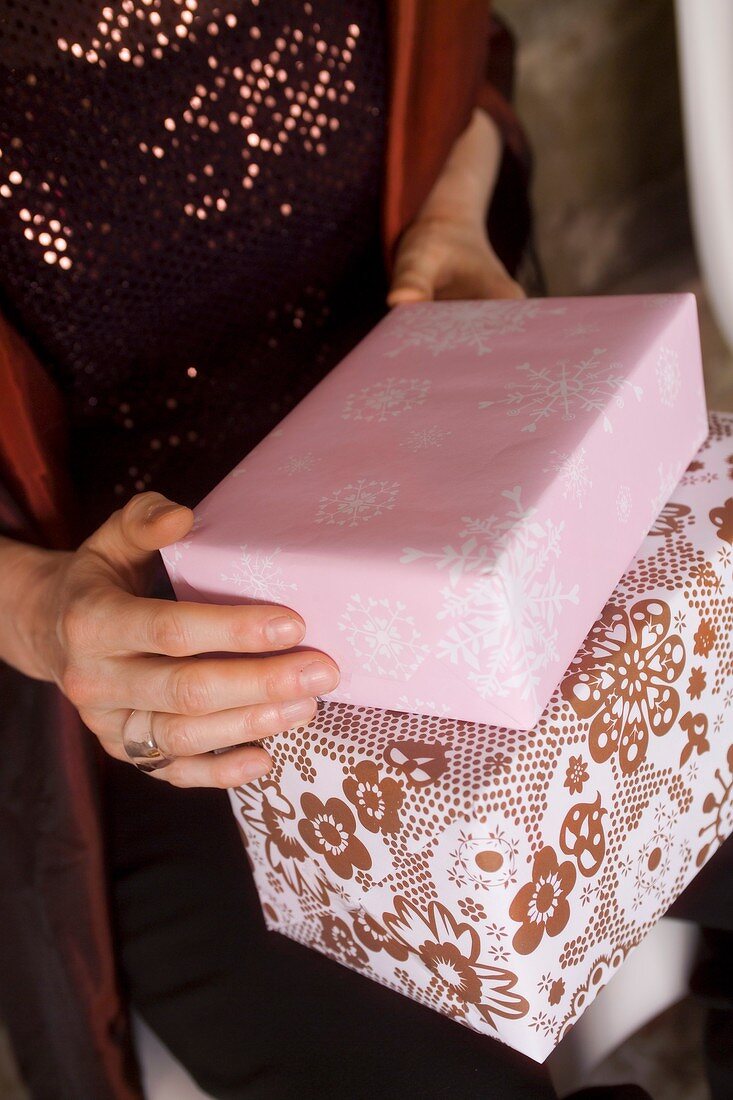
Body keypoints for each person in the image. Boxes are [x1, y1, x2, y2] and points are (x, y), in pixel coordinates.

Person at [0, 3, 726, 1098]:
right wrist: (41, 613)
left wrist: (449, 218)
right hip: (169, 679)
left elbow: (462, 54)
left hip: (453, 476)